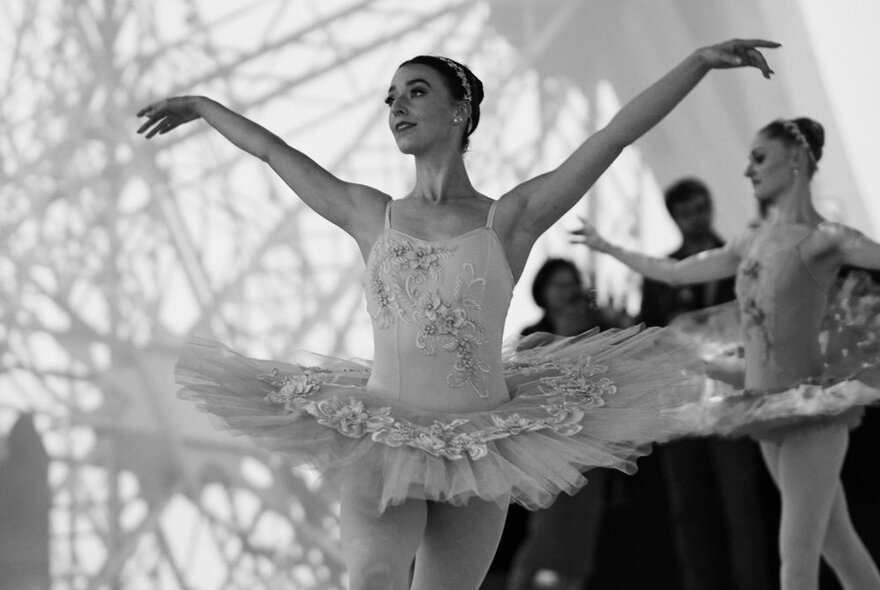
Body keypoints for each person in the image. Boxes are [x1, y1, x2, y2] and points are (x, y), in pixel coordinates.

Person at [137, 40, 778, 589]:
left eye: (415, 92)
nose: (396, 107)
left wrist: (696, 63)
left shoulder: (510, 219)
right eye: (390, 98)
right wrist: (201, 107)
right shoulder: (371, 214)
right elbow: (275, 153)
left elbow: (613, 137)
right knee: (375, 580)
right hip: (379, 436)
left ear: (459, 110)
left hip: (481, 448)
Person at [572, 117, 880, 590]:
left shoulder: (828, 239)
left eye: (759, 157)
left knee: (795, 563)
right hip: (766, 403)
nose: (747, 170)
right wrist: (607, 247)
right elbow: (674, 274)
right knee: (838, 547)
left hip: (811, 413)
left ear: (795, 160)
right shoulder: (751, 240)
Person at [639, 178, 776, 590]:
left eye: (701, 208)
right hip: (681, 405)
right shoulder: (660, 274)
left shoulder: (739, 258)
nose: (697, 218)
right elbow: (650, 336)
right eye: (687, 212)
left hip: (732, 400)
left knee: (741, 506)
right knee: (690, 509)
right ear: (675, 217)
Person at [486, 259, 627, 590]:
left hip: (592, 448)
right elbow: (527, 386)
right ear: (543, 292)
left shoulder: (600, 332)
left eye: (571, 283)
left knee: (580, 542)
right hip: (548, 450)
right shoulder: (532, 336)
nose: (567, 292)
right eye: (558, 285)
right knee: (543, 539)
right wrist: (564, 333)